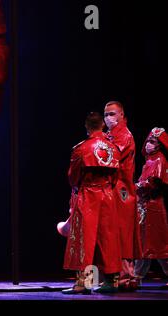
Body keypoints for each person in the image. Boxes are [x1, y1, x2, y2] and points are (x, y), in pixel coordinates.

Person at [62, 112, 122, 294]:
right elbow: (116, 176)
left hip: (88, 194)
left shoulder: (81, 148)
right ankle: (112, 280)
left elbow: (73, 177)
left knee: (85, 239)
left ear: (87, 127)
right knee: (108, 237)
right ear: (103, 125)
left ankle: (84, 283)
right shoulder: (113, 148)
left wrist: (79, 187)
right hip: (108, 195)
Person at [104, 101, 142, 290]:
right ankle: (118, 277)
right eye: (105, 115)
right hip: (113, 190)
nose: (108, 118)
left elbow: (110, 157)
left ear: (121, 115)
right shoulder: (110, 135)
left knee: (122, 235)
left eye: (111, 114)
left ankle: (126, 277)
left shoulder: (124, 136)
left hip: (122, 192)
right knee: (113, 235)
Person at [134, 127, 168, 286]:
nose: (148, 144)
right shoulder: (149, 160)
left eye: (153, 141)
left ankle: (136, 277)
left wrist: (137, 186)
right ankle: (136, 277)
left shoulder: (159, 159)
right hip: (145, 207)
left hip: (153, 207)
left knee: (159, 244)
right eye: (148, 140)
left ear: (159, 145)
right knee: (144, 243)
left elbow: (155, 182)